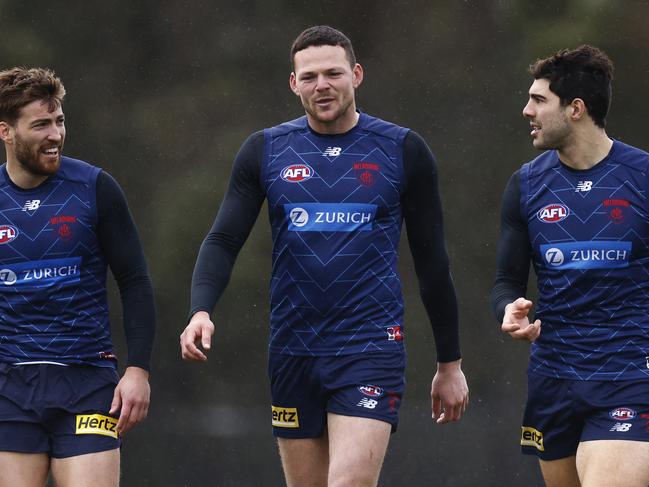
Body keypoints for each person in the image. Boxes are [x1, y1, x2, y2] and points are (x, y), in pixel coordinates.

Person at [180, 25, 468, 486]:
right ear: (294, 84)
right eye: (310, 76)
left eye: (333, 73)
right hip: (294, 348)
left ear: (356, 75)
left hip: (370, 346)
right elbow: (222, 240)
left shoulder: (403, 150)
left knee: (349, 482)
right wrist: (200, 310)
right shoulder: (265, 150)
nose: (322, 85)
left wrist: (449, 363)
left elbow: (432, 260)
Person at [491, 45, 649, 487]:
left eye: (539, 100)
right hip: (553, 380)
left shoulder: (642, 178)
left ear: (576, 108)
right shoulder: (525, 185)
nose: (527, 110)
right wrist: (507, 310)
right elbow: (506, 281)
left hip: (629, 377)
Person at [0, 67, 155, 487]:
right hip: (9, 388)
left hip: (87, 384)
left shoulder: (95, 188)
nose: (55, 134)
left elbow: (135, 281)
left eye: (59, 121)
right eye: (40, 125)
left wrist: (138, 370)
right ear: (6, 132)